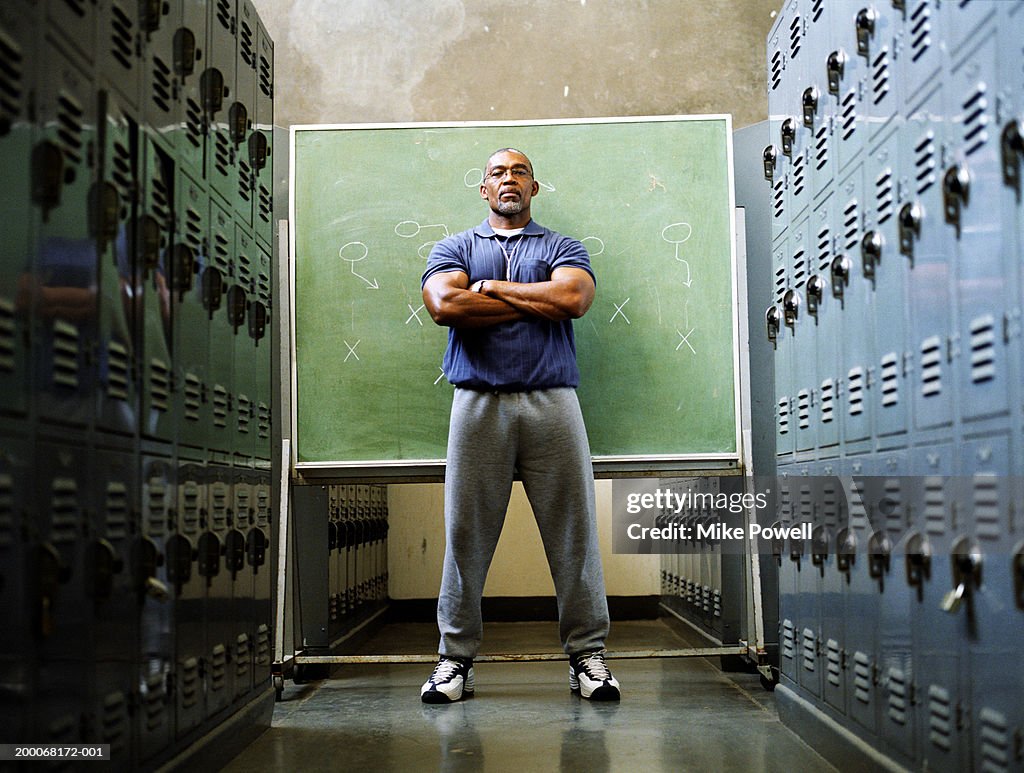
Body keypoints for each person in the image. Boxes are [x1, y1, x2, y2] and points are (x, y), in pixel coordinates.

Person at [419, 148, 620, 703]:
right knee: (465, 534)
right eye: (498, 173)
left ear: (535, 187)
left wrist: (491, 290)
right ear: (484, 189)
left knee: (574, 532)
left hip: (552, 401)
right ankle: (454, 661)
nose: (509, 180)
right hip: (477, 402)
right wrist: (537, 302)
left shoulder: (560, 246)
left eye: (520, 172)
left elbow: (575, 297)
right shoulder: (456, 247)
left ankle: (588, 658)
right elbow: (443, 306)